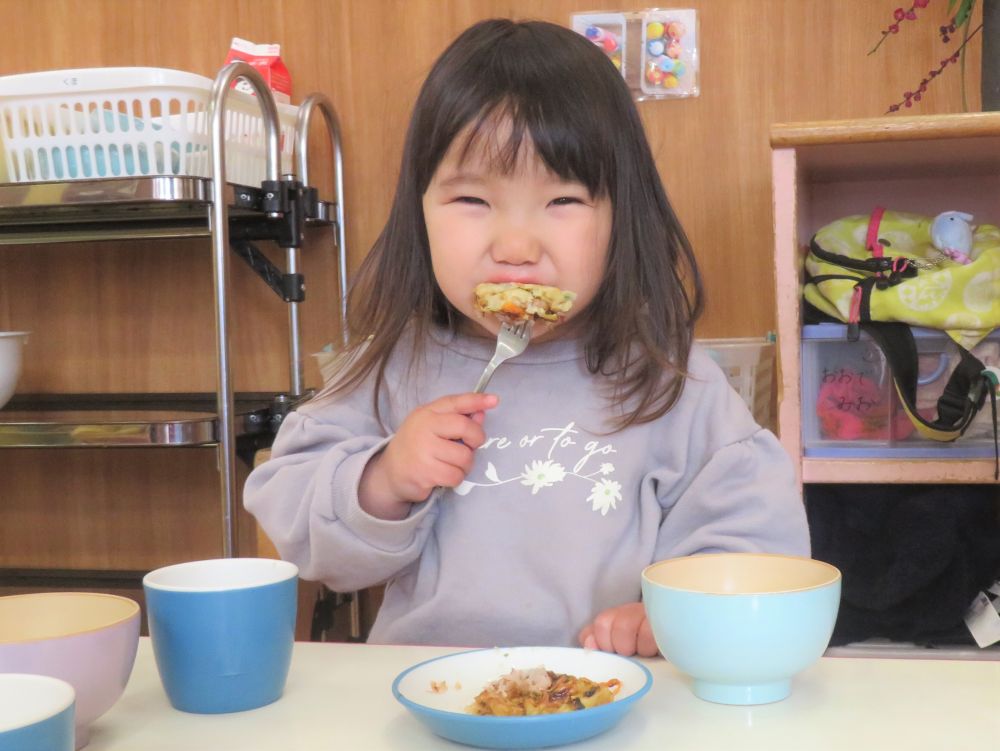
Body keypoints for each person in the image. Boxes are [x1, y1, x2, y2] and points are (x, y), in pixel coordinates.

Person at [244, 18, 809, 657]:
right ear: (420, 211)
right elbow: (300, 523)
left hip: (619, 697)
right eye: (472, 202)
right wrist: (384, 478)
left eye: (563, 201)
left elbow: (754, 541)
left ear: (622, 216)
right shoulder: (390, 368)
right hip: (426, 692)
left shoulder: (672, 381)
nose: (515, 247)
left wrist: (674, 616)